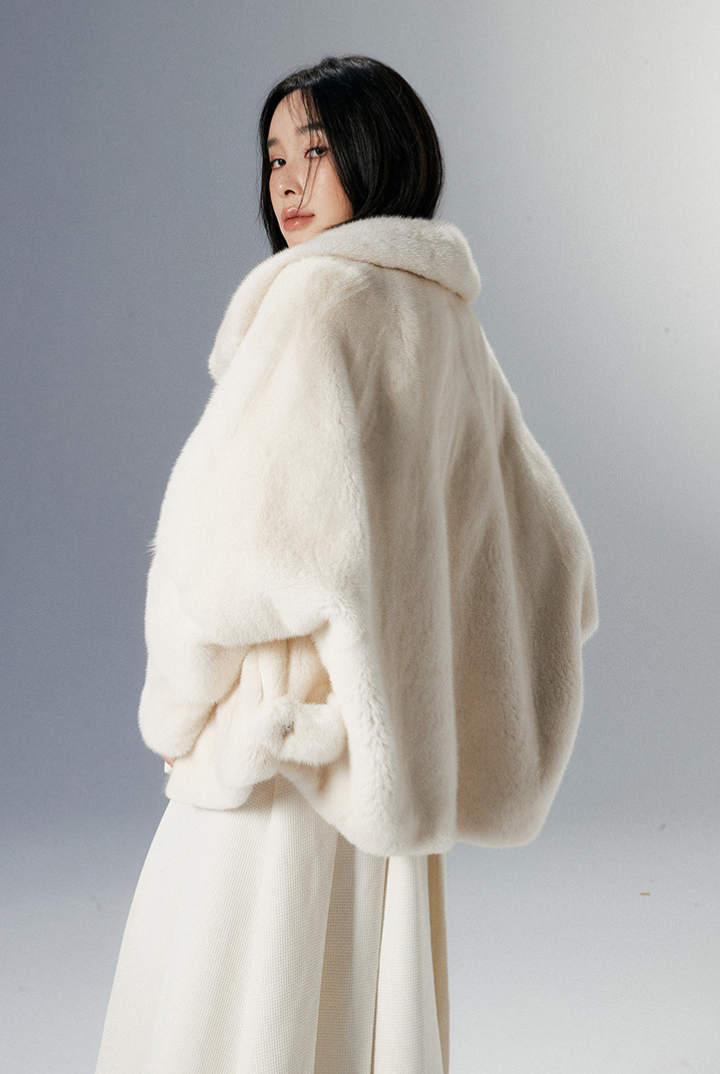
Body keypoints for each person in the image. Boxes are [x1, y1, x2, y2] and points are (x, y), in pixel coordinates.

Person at [94, 55, 598, 1074]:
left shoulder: (316, 302)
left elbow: (219, 550)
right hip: (382, 758)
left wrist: (177, 715)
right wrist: (434, 677)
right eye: (275, 157)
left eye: (316, 151)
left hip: (285, 750)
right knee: (357, 1010)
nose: (288, 183)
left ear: (378, 151)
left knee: (239, 1006)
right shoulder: (446, 320)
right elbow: (554, 556)